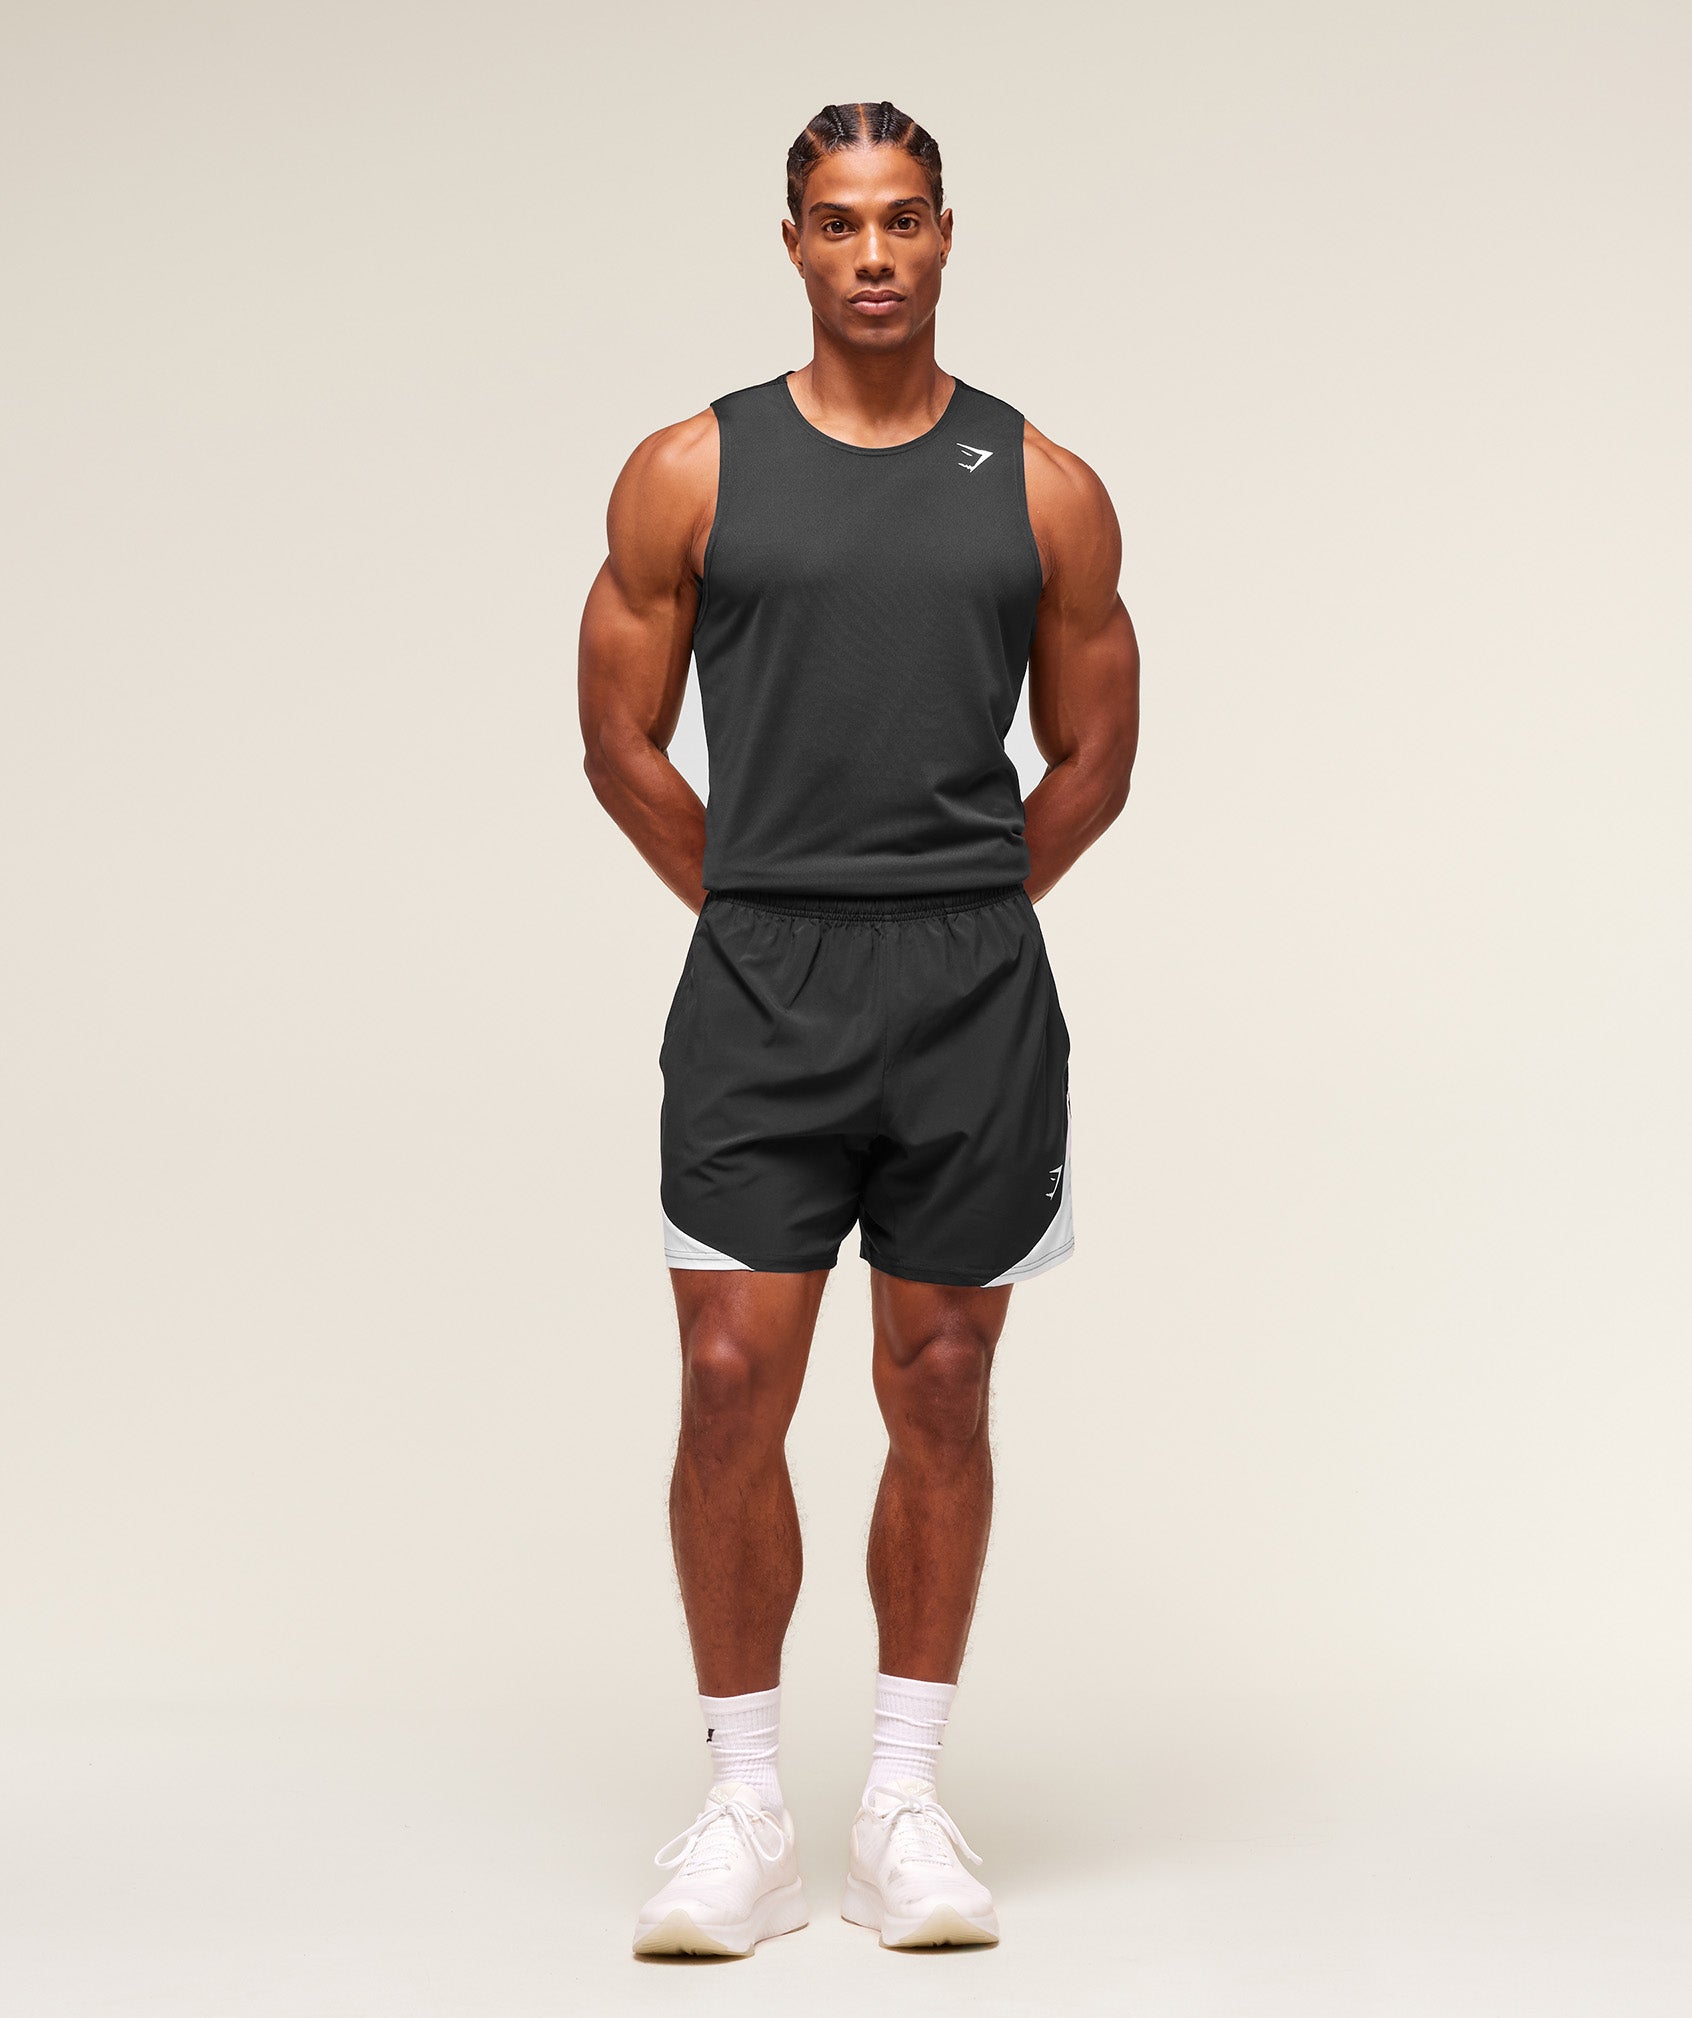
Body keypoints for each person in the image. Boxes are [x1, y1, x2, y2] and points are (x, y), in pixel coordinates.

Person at [578, 98, 1139, 1957]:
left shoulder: (1042, 482)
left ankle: (902, 1799)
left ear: (948, 234)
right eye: (839, 221)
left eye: (903, 218)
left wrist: (954, 909)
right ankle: (745, 1806)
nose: (873, 253)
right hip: (762, 988)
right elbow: (620, 742)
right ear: (795, 244)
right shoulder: (691, 470)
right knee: (731, 1378)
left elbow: (1095, 753)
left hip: (970, 994)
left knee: (944, 1379)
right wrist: (760, 906)